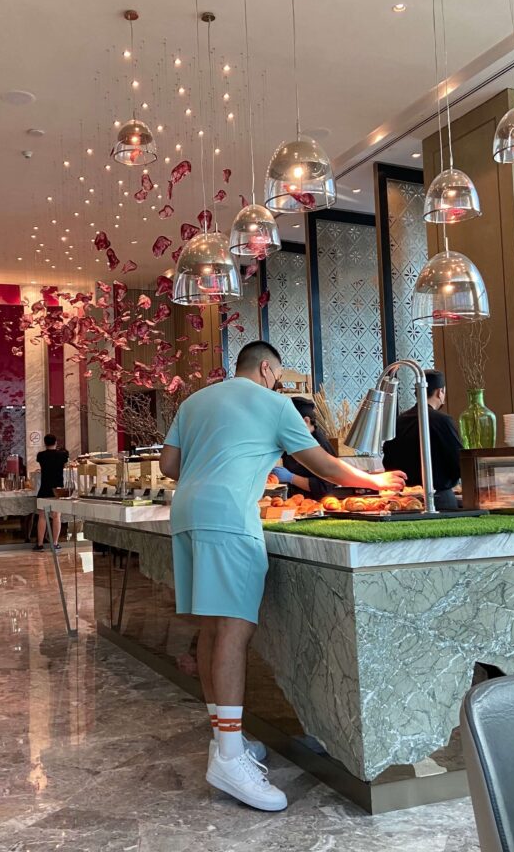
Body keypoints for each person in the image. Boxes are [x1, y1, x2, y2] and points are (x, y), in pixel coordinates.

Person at [159, 340, 406, 812]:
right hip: (230, 516)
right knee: (234, 629)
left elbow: (170, 465)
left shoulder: (196, 400)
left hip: (187, 513)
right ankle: (230, 759)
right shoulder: (273, 403)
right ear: (268, 370)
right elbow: (322, 465)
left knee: (213, 628)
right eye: (279, 375)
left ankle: (225, 741)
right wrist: (375, 481)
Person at [382, 369, 462, 510]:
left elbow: (388, 462)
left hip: (404, 501)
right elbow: (458, 462)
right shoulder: (443, 421)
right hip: (440, 500)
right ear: (440, 392)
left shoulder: (398, 421)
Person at [271, 397, 336, 500]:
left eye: (290, 424)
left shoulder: (321, 446)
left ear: (306, 421)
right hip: (293, 500)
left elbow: (324, 487)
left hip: (315, 504)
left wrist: (291, 478)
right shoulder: (295, 441)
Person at [35, 434, 69, 551]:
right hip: (58, 489)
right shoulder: (63, 455)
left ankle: (39, 544)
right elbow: (65, 463)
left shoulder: (41, 456)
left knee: (42, 516)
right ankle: (54, 543)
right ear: (56, 442)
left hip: (44, 488)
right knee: (56, 516)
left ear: (45, 443)